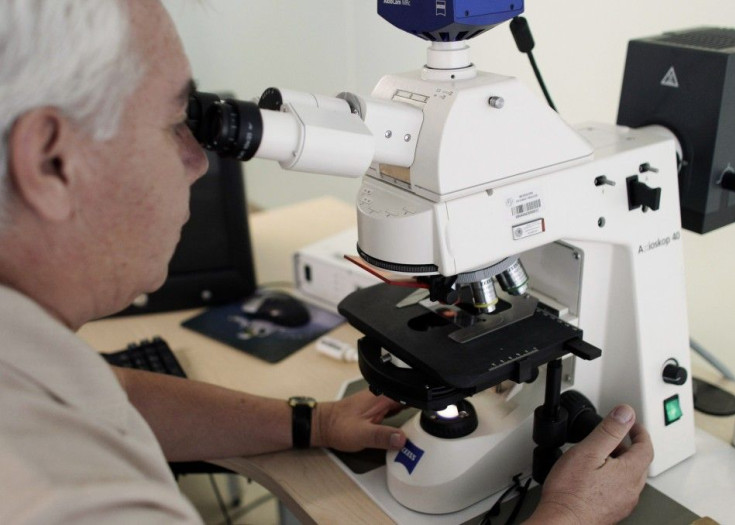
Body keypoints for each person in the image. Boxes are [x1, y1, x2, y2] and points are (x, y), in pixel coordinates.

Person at [0, 1, 653, 523]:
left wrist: (310, 421)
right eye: (176, 122)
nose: (199, 160)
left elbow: (111, 395)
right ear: (53, 162)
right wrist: (567, 514)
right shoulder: (71, 497)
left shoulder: (27, 355)